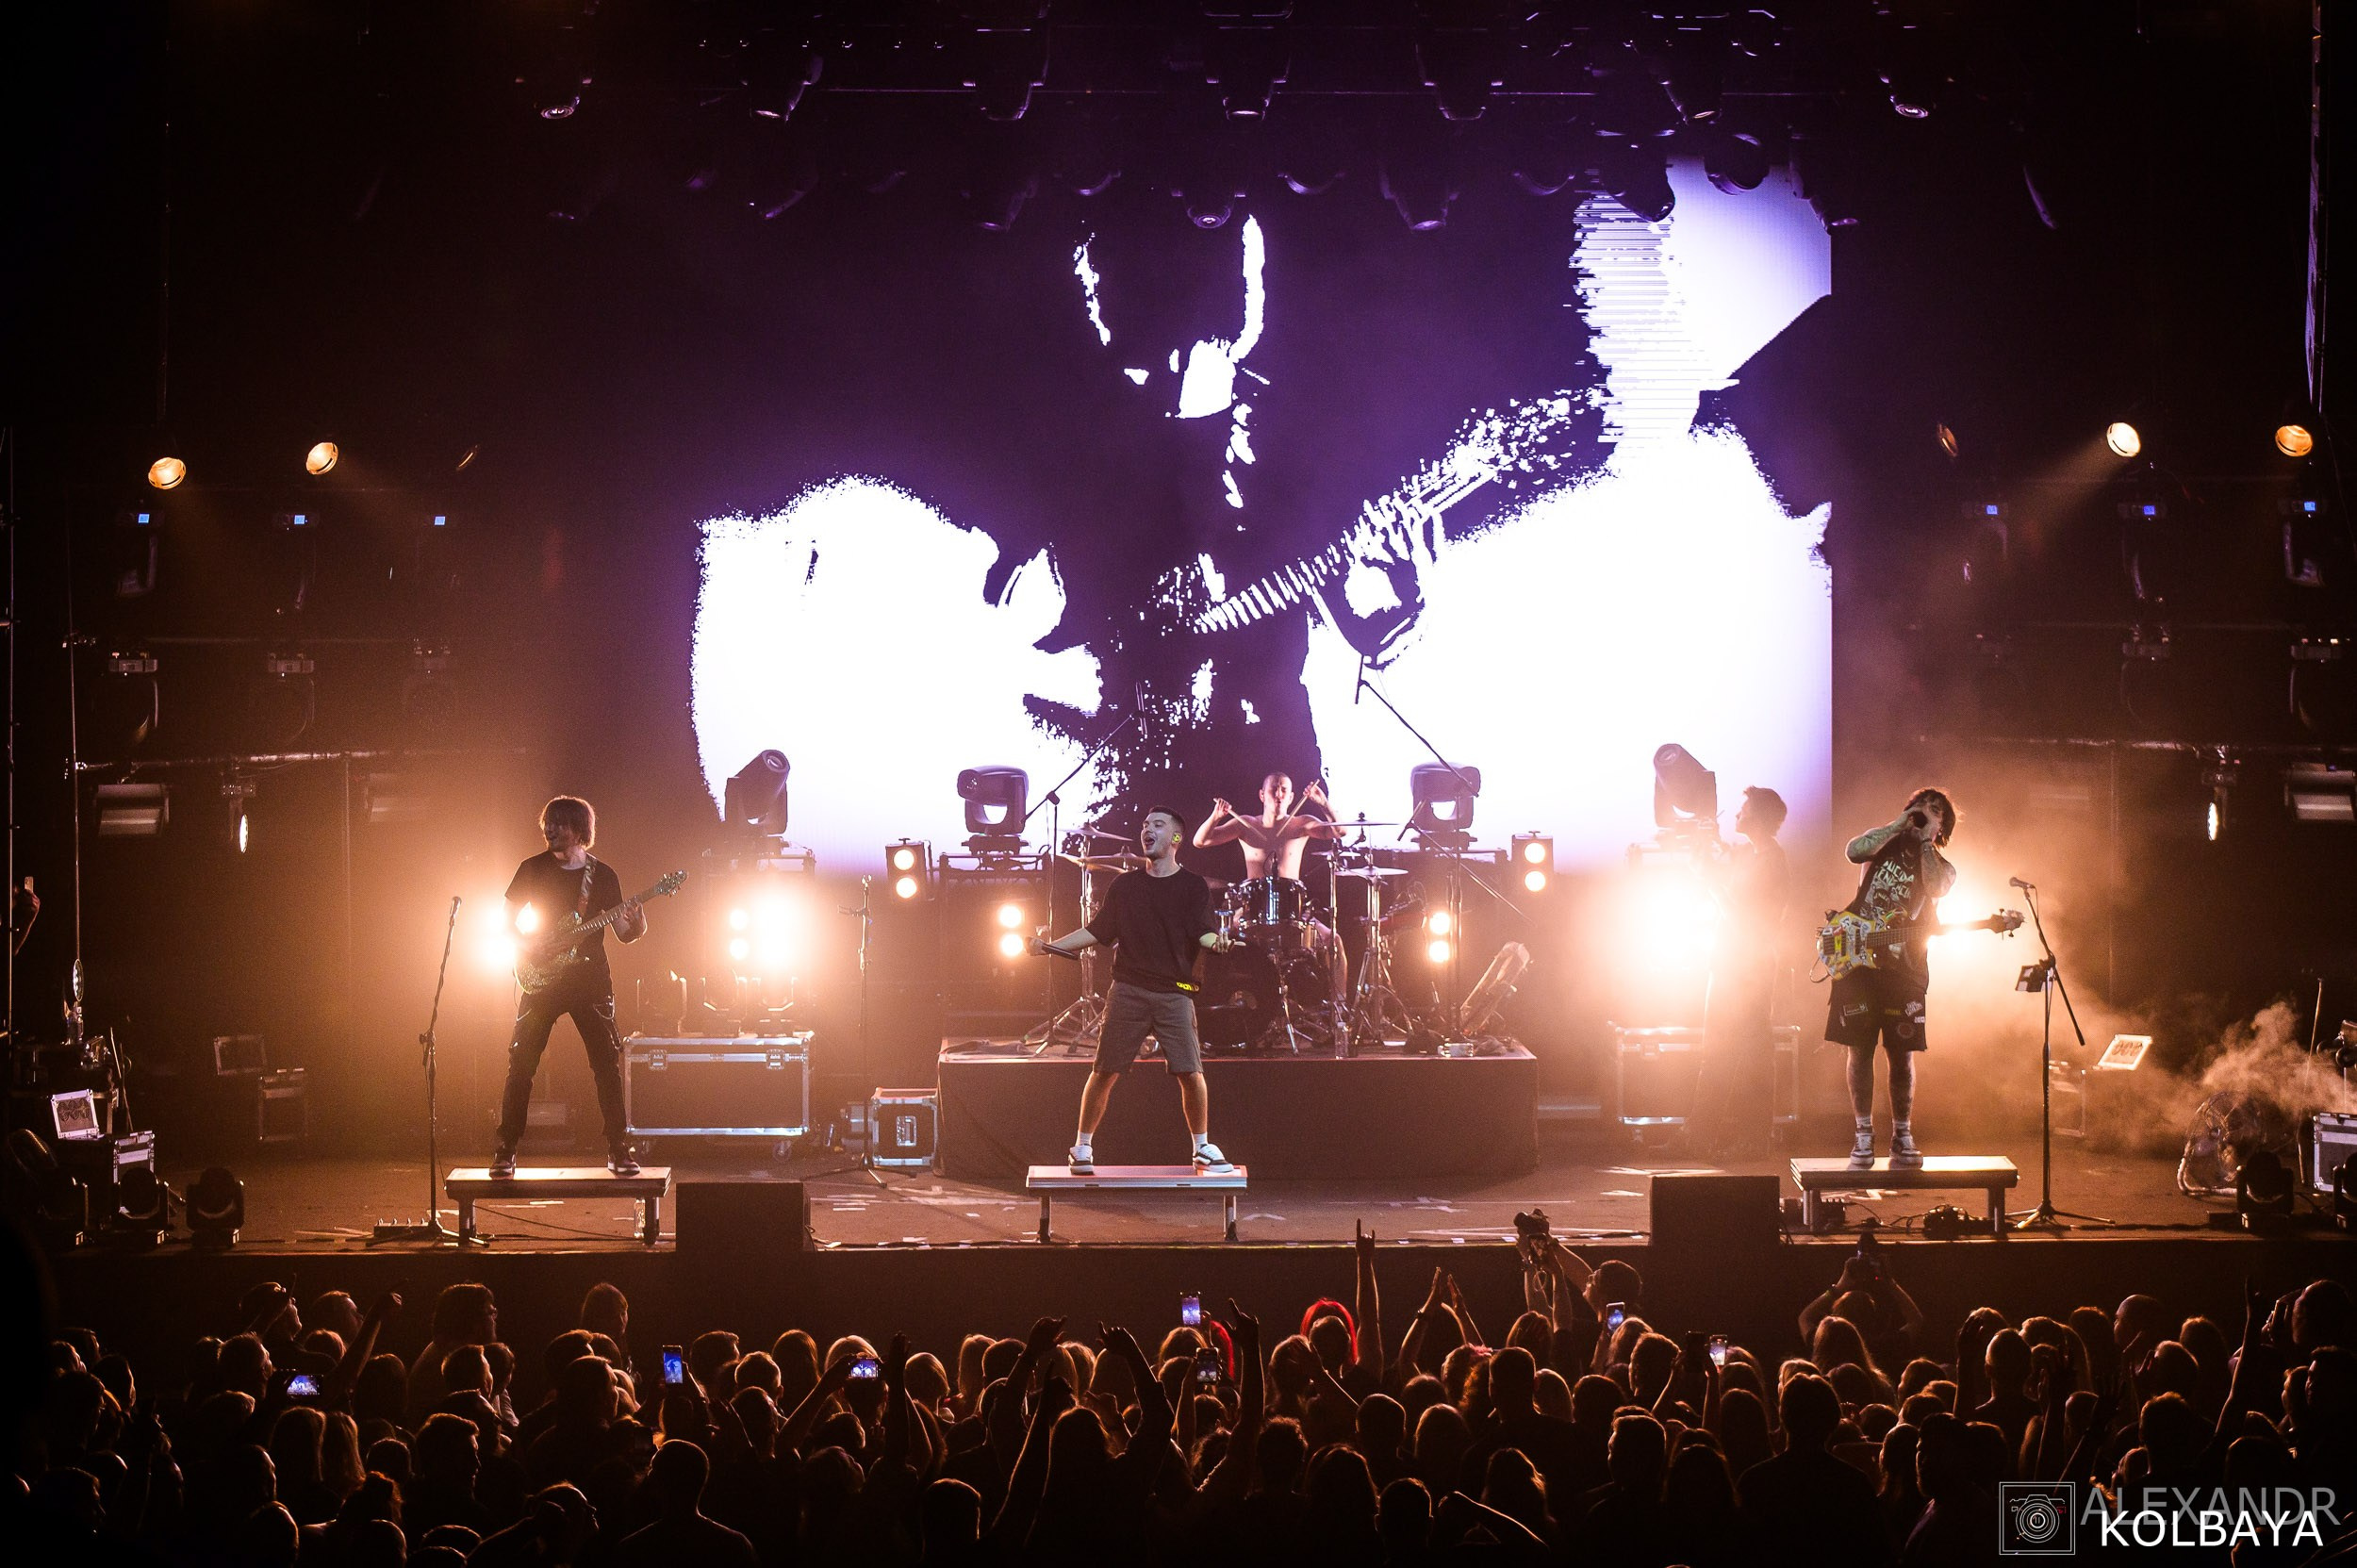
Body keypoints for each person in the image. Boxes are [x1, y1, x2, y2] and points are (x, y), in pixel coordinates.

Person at [1036, 805, 1239, 1174]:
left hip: (1175, 991)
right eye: (1145, 825)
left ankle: (1202, 1148)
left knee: (1191, 1072)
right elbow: (1097, 931)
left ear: (1176, 838)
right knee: (1104, 1070)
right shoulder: (1125, 886)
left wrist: (1218, 943)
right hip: (1128, 989)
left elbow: (1203, 931)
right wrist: (1050, 946)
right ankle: (1082, 1148)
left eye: (1158, 825)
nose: (1148, 830)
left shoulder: (1193, 886)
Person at [493, 796, 647, 1177]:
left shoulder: (604, 876)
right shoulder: (532, 869)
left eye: (559, 824)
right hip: (541, 977)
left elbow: (624, 933)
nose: (550, 829)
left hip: (590, 981)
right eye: (548, 822)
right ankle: (505, 1149)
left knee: (606, 1066)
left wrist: (639, 922)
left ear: (580, 830)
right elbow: (506, 922)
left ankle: (618, 1149)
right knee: (521, 1064)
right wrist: (529, 945)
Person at [1825, 788, 1957, 1169]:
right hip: (1859, 962)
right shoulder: (1880, 842)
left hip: (1906, 968)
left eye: (1935, 811)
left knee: (1901, 1055)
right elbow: (1853, 851)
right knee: (1859, 1050)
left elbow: (1936, 887)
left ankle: (1902, 1134)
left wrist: (1926, 841)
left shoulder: (1942, 866)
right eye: (1921, 806)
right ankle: (1863, 1135)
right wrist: (1900, 824)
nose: (1925, 813)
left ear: (1943, 826)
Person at [1195, 772, 1351, 1029]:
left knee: (1333, 941)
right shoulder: (1245, 825)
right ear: (1262, 795)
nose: (1278, 794)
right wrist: (1215, 817)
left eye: (1283, 790)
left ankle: (1339, 1017)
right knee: (1206, 941)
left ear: (1291, 796)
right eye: (1273, 789)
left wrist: (1323, 804)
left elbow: (1340, 831)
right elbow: (1200, 841)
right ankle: (1198, 1016)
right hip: (1249, 912)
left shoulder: (1302, 824)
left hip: (1294, 913)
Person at [1692, 786, 1789, 1157]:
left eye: (1743, 810)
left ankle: (1751, 1141)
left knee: (1749, 1055)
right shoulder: (1752, 857)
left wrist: (1710, 880)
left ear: (1760, 818)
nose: (1736, 815)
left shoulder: (1770, 862)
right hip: (1732, 964)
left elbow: (1742, 915)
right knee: (1716, 1051)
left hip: (1748, 968)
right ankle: (1700, 1138)